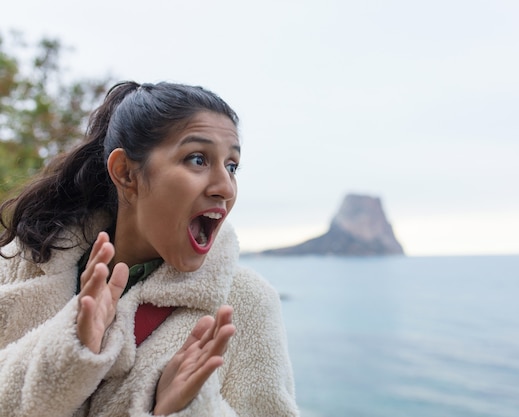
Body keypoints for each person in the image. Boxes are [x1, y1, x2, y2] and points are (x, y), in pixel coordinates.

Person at [0, 81, 299, 417]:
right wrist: (67, 348)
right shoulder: (26, 259)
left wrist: (183, 410)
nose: (225, 187)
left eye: (231, 166)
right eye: (198, 159)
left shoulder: (247, 304)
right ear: (126, 173)